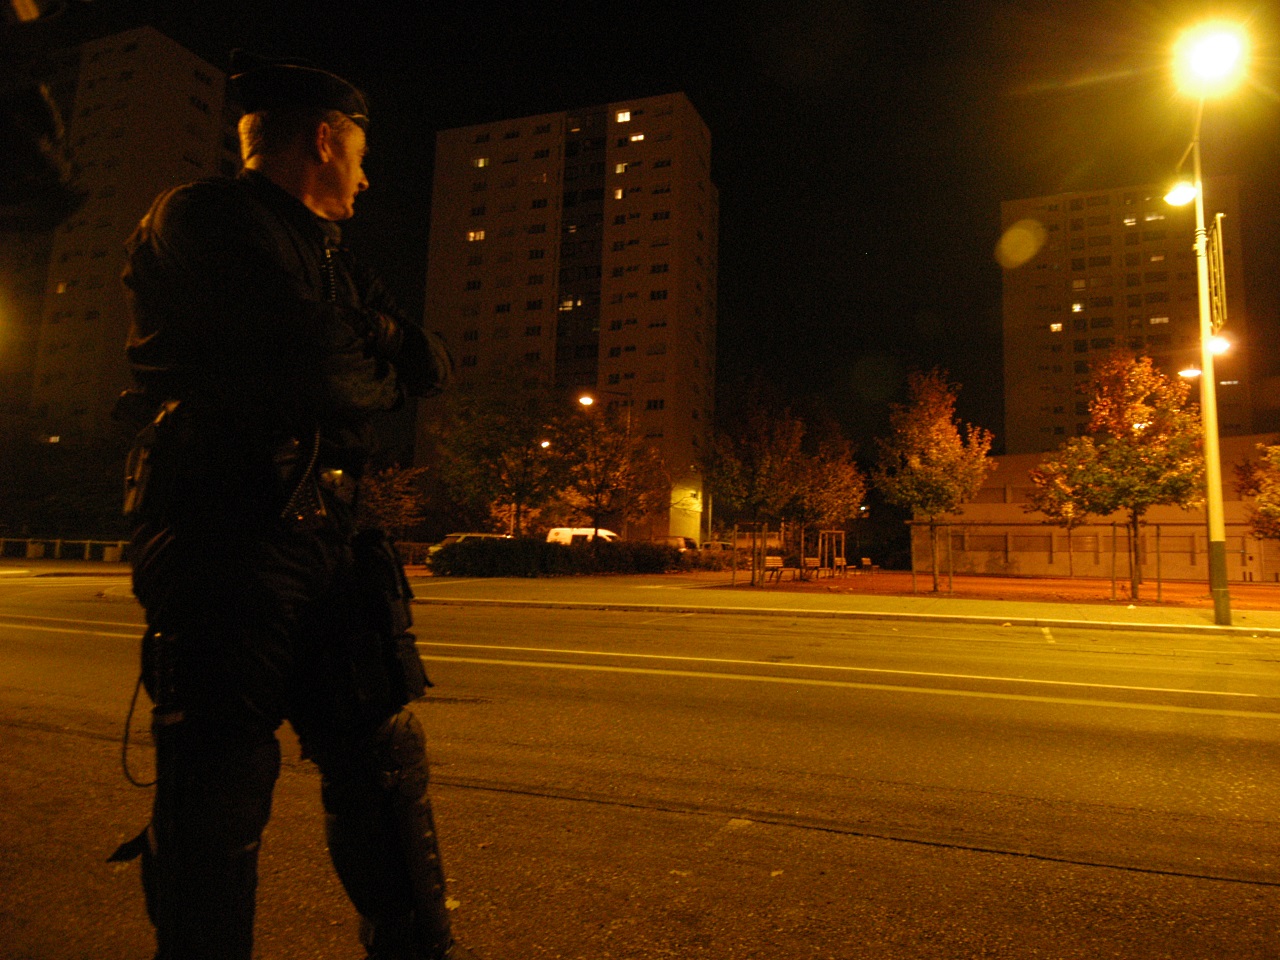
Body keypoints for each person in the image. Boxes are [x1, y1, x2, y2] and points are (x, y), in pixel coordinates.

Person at [110, 52, 477, 960]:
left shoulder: (332, 256)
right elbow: (317, 367)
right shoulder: (202, 217)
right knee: (217, 787)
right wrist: (359, 355)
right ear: (323, 139)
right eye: (358, 152)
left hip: (335, 534)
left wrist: (363, 345)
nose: (367, 173)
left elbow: (428, 364)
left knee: (384, 760)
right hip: (227, 534)